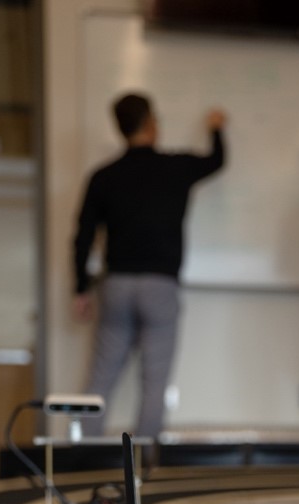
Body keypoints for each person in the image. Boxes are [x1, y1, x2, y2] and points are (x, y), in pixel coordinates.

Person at [72, 93, 227, 441]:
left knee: (102, 375)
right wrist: (216, 129)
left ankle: (81, 455)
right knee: (155, 379)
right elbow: (217, 160)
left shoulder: (104, 176)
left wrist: (80, 287)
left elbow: (82, 236)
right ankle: (143, 461)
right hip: (160, 286)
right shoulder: (175, 167)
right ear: (151, 124)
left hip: (116, 285)